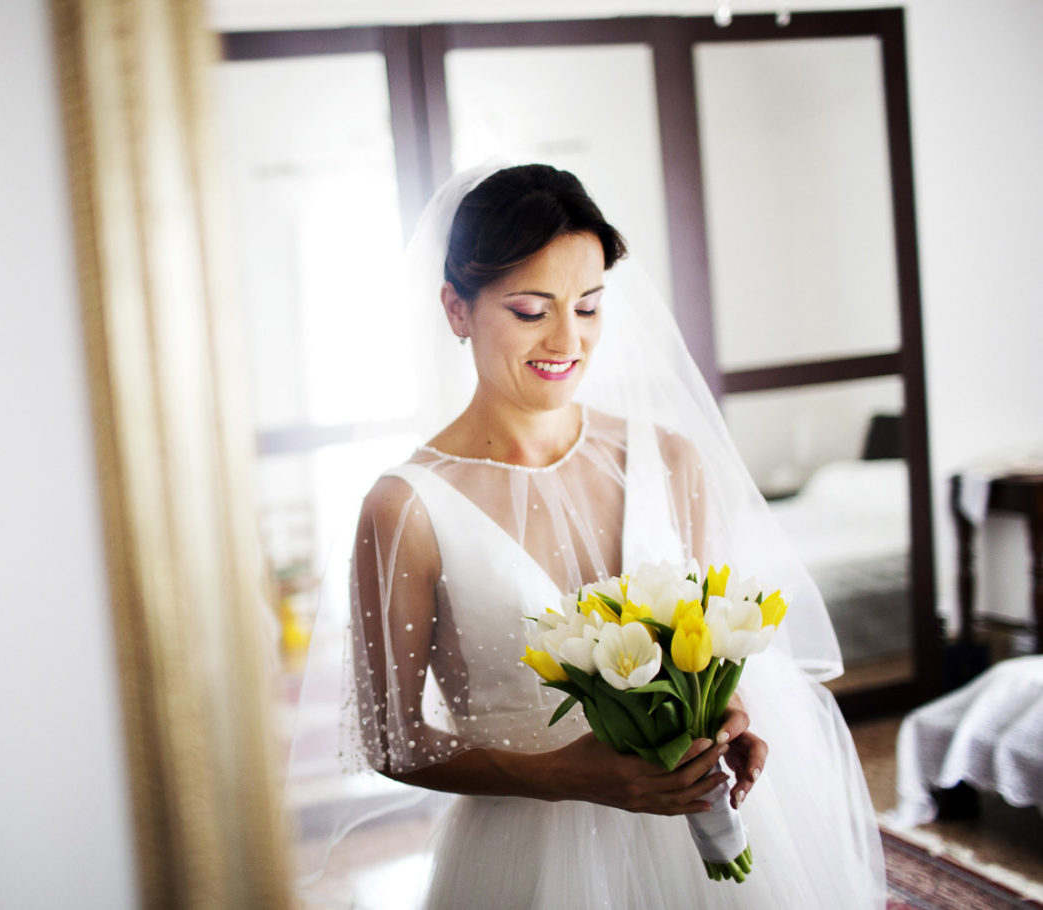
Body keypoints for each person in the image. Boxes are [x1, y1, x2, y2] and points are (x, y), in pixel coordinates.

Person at [289, 163, 885, 909]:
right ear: (456, 309)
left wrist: (727, 718)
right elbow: (393, 741)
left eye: (590, 306)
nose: (567, 340)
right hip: (529, 859)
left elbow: (715, 647)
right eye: (532, 310)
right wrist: (562, 775)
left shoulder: (668, 458)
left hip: (703, 831)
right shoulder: (406, 507)